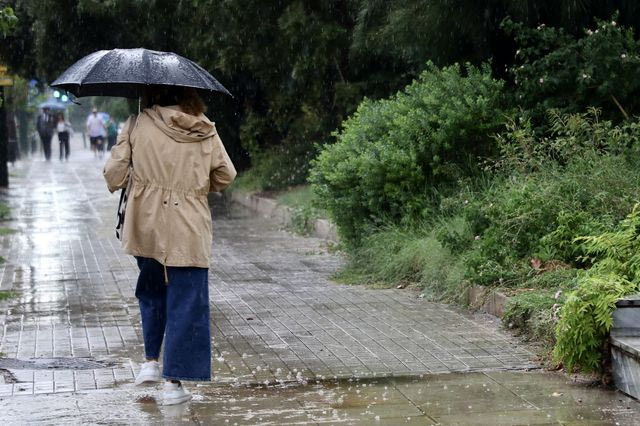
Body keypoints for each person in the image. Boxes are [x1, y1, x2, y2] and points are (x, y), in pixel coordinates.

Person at [103, 87, 236, 406]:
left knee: (151, 290)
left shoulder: (137, 124)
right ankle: (173, 384)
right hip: (188, 226)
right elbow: (225, 175)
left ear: (151, 95)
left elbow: (114, 175)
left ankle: (150, 362)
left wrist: (140, 167)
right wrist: (194, 183)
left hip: (145, 223)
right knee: (186, 300)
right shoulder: (204, 128)